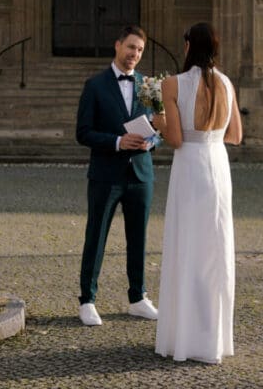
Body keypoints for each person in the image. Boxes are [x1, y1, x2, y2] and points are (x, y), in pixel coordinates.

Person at [151, 22, 243, 363]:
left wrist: (159, 121)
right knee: (215, 249)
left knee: (186, 246)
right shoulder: (226, 83)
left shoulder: (172, 84)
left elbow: (175, 139)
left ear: (188, 45)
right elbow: (235, 135)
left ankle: (183, 339)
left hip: (189, 166)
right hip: (217, 165)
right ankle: (212, 340)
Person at [75, 25, 160, 326]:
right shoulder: (94, 85)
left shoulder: (150, 86)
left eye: (139, 50)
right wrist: (116, 141)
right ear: (117, 45)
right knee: (96, 236)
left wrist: (152, 141)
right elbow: (82, 133)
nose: (134, 54)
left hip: (141, 173)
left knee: (139, 238)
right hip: (106, 174)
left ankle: (138, 297)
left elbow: (160, 130)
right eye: (130, 47)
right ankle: (87, 300)